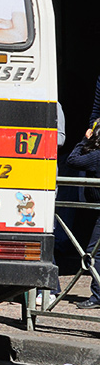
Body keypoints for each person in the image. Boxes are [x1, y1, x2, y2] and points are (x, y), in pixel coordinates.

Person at [67, 119, 100, 309]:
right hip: (95, 210)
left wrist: (83, 141)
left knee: (94, 252)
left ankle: (97, 296)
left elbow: (72, 160)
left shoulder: (96, 156)